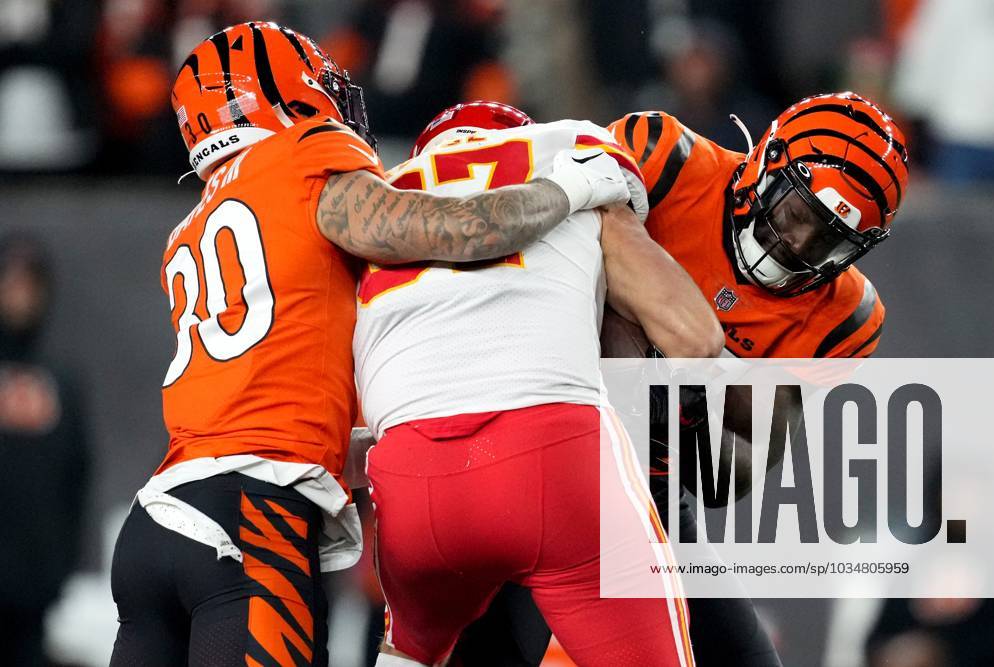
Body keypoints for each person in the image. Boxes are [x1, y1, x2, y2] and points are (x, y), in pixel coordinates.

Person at [109, 22, 633, 667]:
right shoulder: (301, 154)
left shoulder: (188, 229)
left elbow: (271, 390)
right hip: (249, 523)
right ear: (282, 92)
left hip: (155, 525)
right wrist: (572, 188)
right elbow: (453, 232)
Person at [455, 91, 909, 667]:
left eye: (827, 240)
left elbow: (730, 477)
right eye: (797, 214)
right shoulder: (665, 159)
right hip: (536, 446)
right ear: (765, 164)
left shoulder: (843, 319)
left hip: (649, 483)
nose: (796, 245)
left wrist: (690, 398)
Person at [355, 100, 723, 667]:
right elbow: (694, 337)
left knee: (407, 651)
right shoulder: (575, 160)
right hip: (554, 456)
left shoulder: (375, 204)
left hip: (411, 480)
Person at [0, 232, 91, 667]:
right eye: (10, 281)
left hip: (36, 586)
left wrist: (64, 564)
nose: (19, 294)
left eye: (29, 283)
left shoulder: (62, 382)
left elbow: (78, 474)